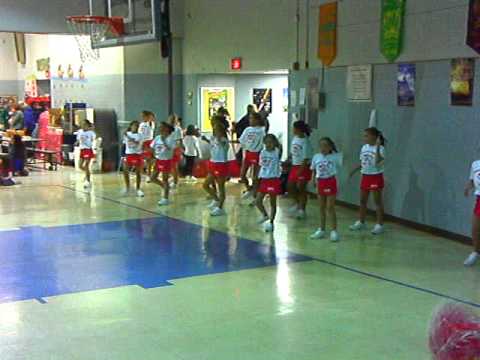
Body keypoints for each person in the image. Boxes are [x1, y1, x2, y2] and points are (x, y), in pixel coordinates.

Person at [349, 127, 386, 235]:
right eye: (364, 135)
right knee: (362, 201)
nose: (364, 138)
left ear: (374, 137)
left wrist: (378, 147)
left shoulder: (381, 148)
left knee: (377, 202)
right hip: (365, 176)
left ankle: (380, 225)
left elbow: (378, 161)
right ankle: (361, 221)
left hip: (375, 176)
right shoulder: (364, 147)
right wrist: (354, 170)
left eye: (366, 135)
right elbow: (363, 161)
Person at [310, 137, 342, 242]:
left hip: (331, 182)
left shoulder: (335, 157)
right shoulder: (316, 157)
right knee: (321, 207)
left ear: (330, 147)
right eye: (321, 145)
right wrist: (313, 180)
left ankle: (334, 231)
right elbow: (314, 170)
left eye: (325, 145)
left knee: (330, 207)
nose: (323, 148)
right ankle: (321, 229)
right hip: (321, 182)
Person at [203, 117, 229, 216]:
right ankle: (216, 199)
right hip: (213, 163)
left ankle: (220, 207)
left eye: (217, 130)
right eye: (214, 130)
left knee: (221, 187)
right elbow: (212, 147)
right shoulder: (212, 139)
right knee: (205, 185)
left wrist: (219, 138)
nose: (215, 132)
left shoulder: (224, 140)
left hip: (221, 164)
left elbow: (223, 145)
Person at [256, 134, 282, 232]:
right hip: (264, 179)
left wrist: (278, 141)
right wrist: (257, 176)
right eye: (266, 143)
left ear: (274, 143)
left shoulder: (276, 152)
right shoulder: (262, 152)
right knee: (258, 201)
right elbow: (260, 165)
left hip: (273, 179)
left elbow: (280, 147)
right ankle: (265, 215)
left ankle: (271, 222)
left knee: (272, 203)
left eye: (270, 142)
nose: (268, 145)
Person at [287, 120, 313, 219]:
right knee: (290, 186)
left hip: (303, 166)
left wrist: (300, 170)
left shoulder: (305, 141)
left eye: (294, 128)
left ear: (298, 129)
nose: (292, 130)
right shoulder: (295, 138)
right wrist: (289, 159)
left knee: (301, 187)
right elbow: (293, 152)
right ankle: (298, 204)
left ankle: (302, 209)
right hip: (294, 165)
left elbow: (305, 158)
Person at [239, 112, 265, 199]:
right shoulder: (247, 129)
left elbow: (263, 143)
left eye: (252, 118)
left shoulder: (262, 130)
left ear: (257, 120)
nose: (250, 120)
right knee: (242, 175)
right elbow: (242, 140)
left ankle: (255, 195)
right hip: (248, 153)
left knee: (255, 177)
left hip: (258, 154)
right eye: (250, 118)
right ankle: (249, 189)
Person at [150, 122, 176, 206]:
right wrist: (153, 156)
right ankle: (165, 187)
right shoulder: (157, 137)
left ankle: (165, 198)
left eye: (161, 127)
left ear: (166, 129)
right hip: (158, 160)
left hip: (166, 160)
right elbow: (152, 147)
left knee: (165, 179)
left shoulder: (171, 138)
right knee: (152, 178)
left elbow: (170, 148)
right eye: (159, 127)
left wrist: (164, 141)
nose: (159, 128)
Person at [463, 159, 480, 266]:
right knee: (475, 228)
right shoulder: (475, 164)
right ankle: (476, 252)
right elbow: (472, 180)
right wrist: (468, 187)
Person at [123, 120, 145, 197]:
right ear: (131, 126)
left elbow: (136, 143)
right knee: (125, 171)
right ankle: (127, 187)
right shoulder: (127, 134)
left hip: (137, 155)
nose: (135, 127)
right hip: (129, 155)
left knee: (138, 173)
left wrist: (127, 136)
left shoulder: (140, 135)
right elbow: (124, 143)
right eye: (134, 126)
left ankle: (138, 189)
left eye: (137, 126)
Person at [76, 120, 96, 189]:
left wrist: (92, 129)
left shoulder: (91, 133)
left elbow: (94, 138)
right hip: (82, 150)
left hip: (88, 150)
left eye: (85, 125)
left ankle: (88, 181)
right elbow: (78, 139)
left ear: (88, 126)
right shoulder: (80, 131)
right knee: (80, 166)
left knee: (86, 165)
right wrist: (77, 142)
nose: (83, 126)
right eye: (82, 124)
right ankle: (87, 174)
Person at [139, 110, 156, 182]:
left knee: (149, 159)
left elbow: (151, 123)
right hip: (143, 142)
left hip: (149, 142)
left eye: (144, 116)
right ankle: (142, 173)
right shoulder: (141, 124)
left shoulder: (151, 123)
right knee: (142, 159)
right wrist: (141, 143)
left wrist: (151, 117)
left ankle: (149, 174)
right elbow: (140, 134)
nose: (142, 117)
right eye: (142, 116)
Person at [169, 115, 183, 188]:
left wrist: (179, 150)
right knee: (172, 166)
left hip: (175, 149)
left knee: (174, 166)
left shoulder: (178, 129)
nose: (171, 121)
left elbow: (180, 140)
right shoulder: (169, 128)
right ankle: (175, 178)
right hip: (169, 148)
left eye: (173, 119)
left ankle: (175, 182)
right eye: (170, 119)